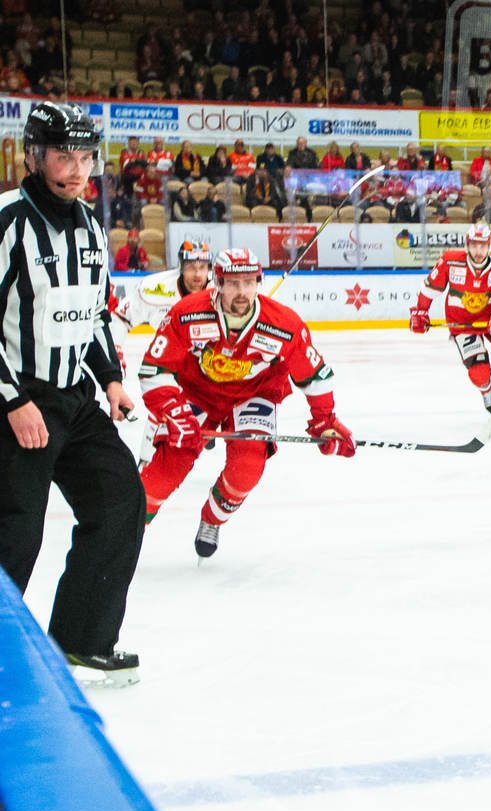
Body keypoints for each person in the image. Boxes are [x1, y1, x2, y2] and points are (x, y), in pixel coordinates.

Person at [0, 102, 146, 686]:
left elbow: (92, 313)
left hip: (74, 400)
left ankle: (82, 639)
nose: (78, 167)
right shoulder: (8, 221)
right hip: (16, 398)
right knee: (16, 533)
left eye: (87, 156)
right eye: (64, 155)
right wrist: (12, 401)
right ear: (33, 156)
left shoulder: (89, 225)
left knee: (119, 503)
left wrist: (109, 377)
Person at [137, 249, 355, 559]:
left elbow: (315, 376)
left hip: (255, 393)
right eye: (234, 283)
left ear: (259, 282)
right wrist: (174, 413)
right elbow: (153, 370)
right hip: (197, 390)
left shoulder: (283, 323)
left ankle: (212, 520)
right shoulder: (187, 313)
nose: (242, 292)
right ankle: (124, 532)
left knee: (246, 470)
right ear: (218, 282)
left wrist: (326, 421)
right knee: (165, 470)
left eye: (250, 283)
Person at [408, 224, 491, 420]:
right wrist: (420, 312)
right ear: (467, 245)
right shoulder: (450, 262)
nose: (478, 251)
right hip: (462, 324)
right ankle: (489, 398)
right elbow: (429, 289)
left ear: (490, 245)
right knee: (479, 371)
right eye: (474, 246)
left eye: (483, 246)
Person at [117, 238, 212, 331]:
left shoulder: (220, 289)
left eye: (202, 267)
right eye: (191, 267)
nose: (197, 274)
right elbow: (120, 318)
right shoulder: (154, 286)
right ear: (182, 268)